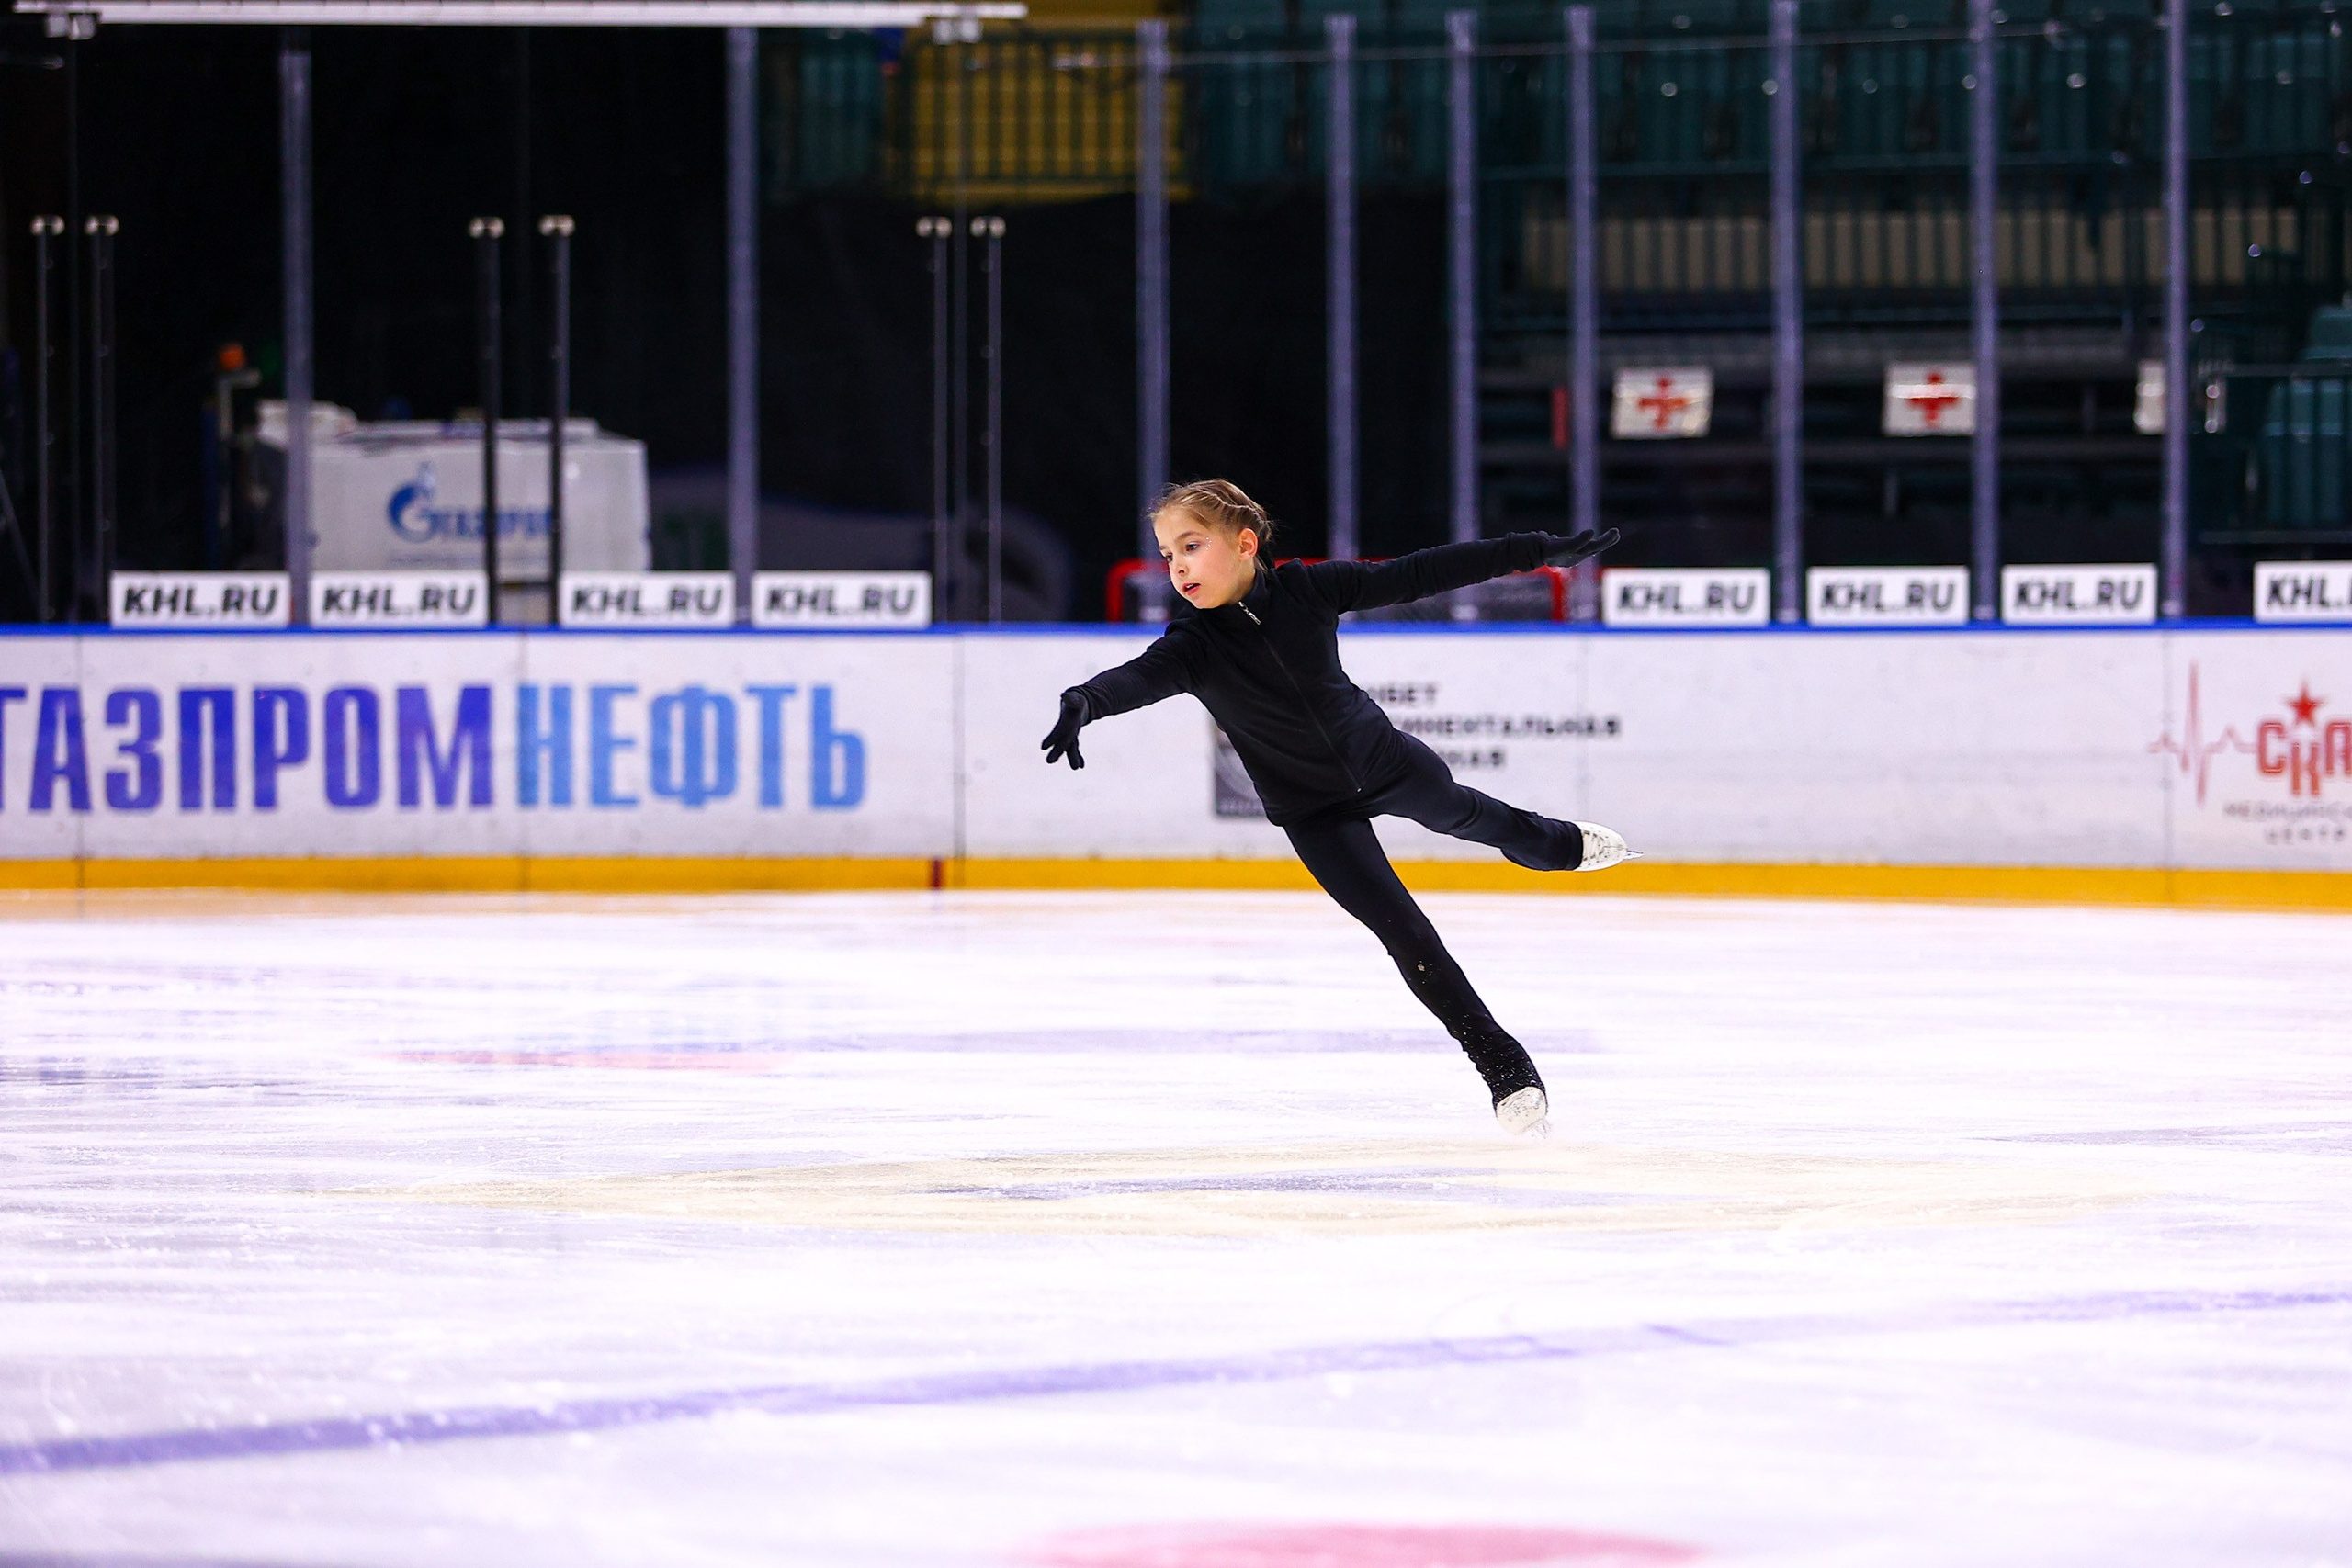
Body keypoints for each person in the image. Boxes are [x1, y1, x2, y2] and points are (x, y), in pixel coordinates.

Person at [1041, 479, 1634, 1138]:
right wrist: (1086, 700)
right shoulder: (1193, 645)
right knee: (1407, 935)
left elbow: (1419, 573)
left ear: (1244, 543)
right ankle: (1508, 1069)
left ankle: (1551, 844)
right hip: (1312, 812)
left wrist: (1533, 550)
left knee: (1463, 813)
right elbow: (1137, 678)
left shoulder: (1307, 590)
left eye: (1190, 545)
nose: (1176, 566)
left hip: (1385, 761)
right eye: (1166, 554)